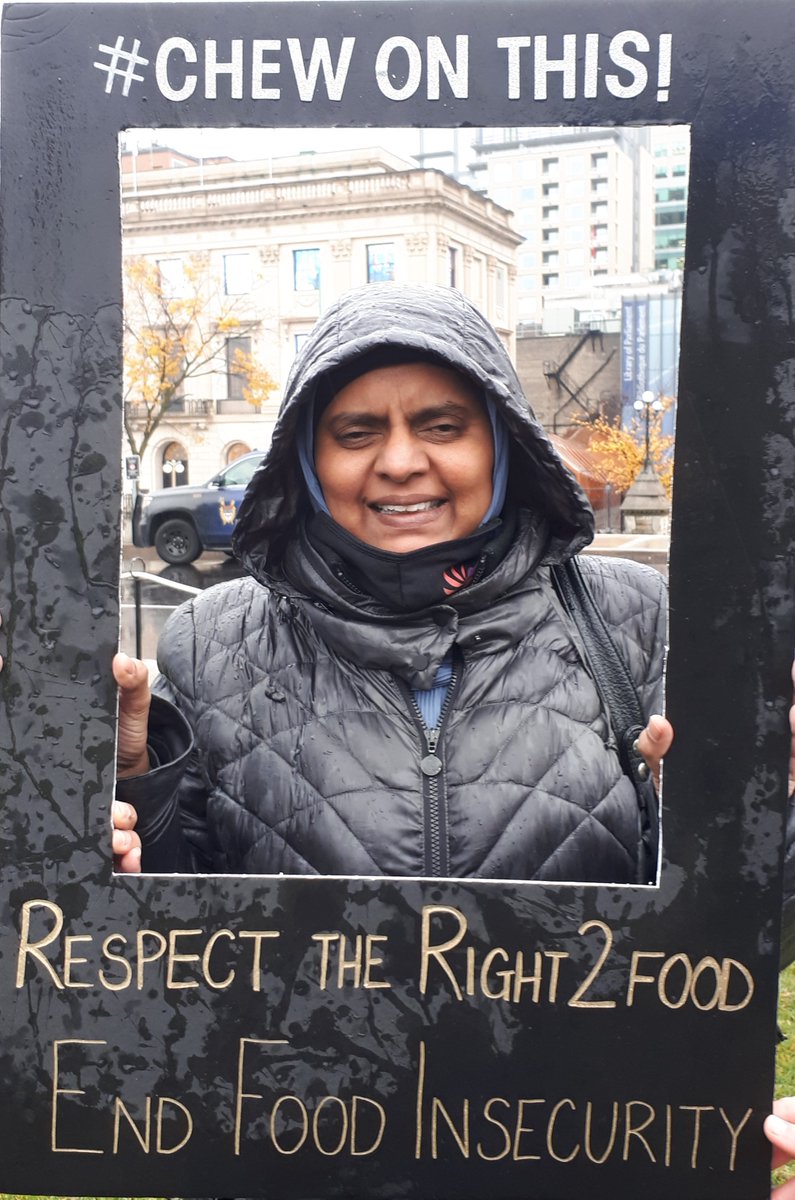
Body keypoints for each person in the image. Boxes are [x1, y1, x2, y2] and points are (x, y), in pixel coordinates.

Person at [111, 282, 672, 878]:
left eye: (442, 427)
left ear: (501, 446)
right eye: (356, 434)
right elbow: (156, 939)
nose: (400, 463)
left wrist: (748, 816)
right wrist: (133, 786)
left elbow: (733, 946)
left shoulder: (632, 617)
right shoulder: (210, 643)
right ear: (306, 459)